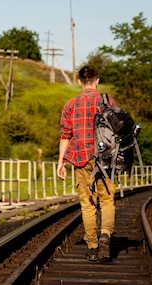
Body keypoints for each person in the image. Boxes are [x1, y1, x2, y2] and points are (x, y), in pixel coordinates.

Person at [57, 65, 116, 262]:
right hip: (105, 160)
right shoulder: (107, 101)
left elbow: (65, 136)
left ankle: (92, 246)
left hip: (81, 159)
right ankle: (105, 234)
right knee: (107, 200)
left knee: (88, 204)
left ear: (80, 82)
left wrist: (61, 162)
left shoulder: (71, 104)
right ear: (97, 80)